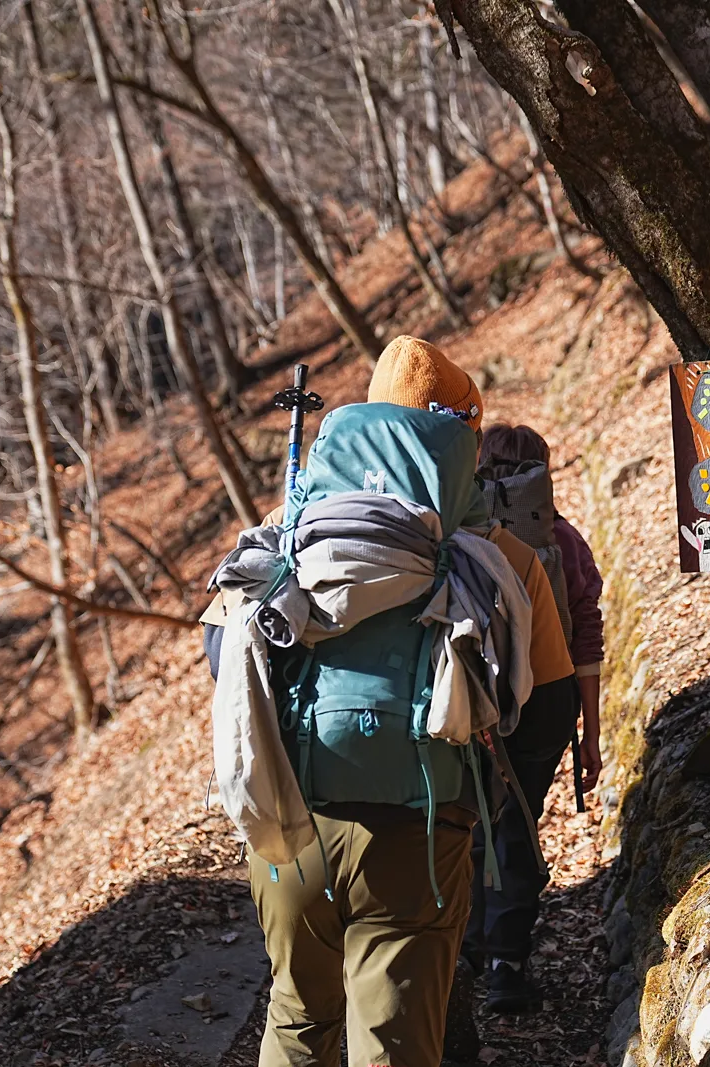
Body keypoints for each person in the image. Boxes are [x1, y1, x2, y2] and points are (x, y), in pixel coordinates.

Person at [202, 336, 571, 1067]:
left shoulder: (289, 539)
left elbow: (225, 661)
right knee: (394, 1044)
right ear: (461, 436)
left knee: (298, 1018)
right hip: (419, 828)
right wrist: (491, 814)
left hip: (290, 820)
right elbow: (549, 709)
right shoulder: (500, 556)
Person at [462, 424, 605, 1015]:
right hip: (548, 702)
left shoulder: (459, 538)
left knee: (469, 824)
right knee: (518, 824)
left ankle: (464, 949)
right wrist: (590, 736)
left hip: (475, 697)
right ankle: (507, 966)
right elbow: (587, 636)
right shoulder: (564, 542)